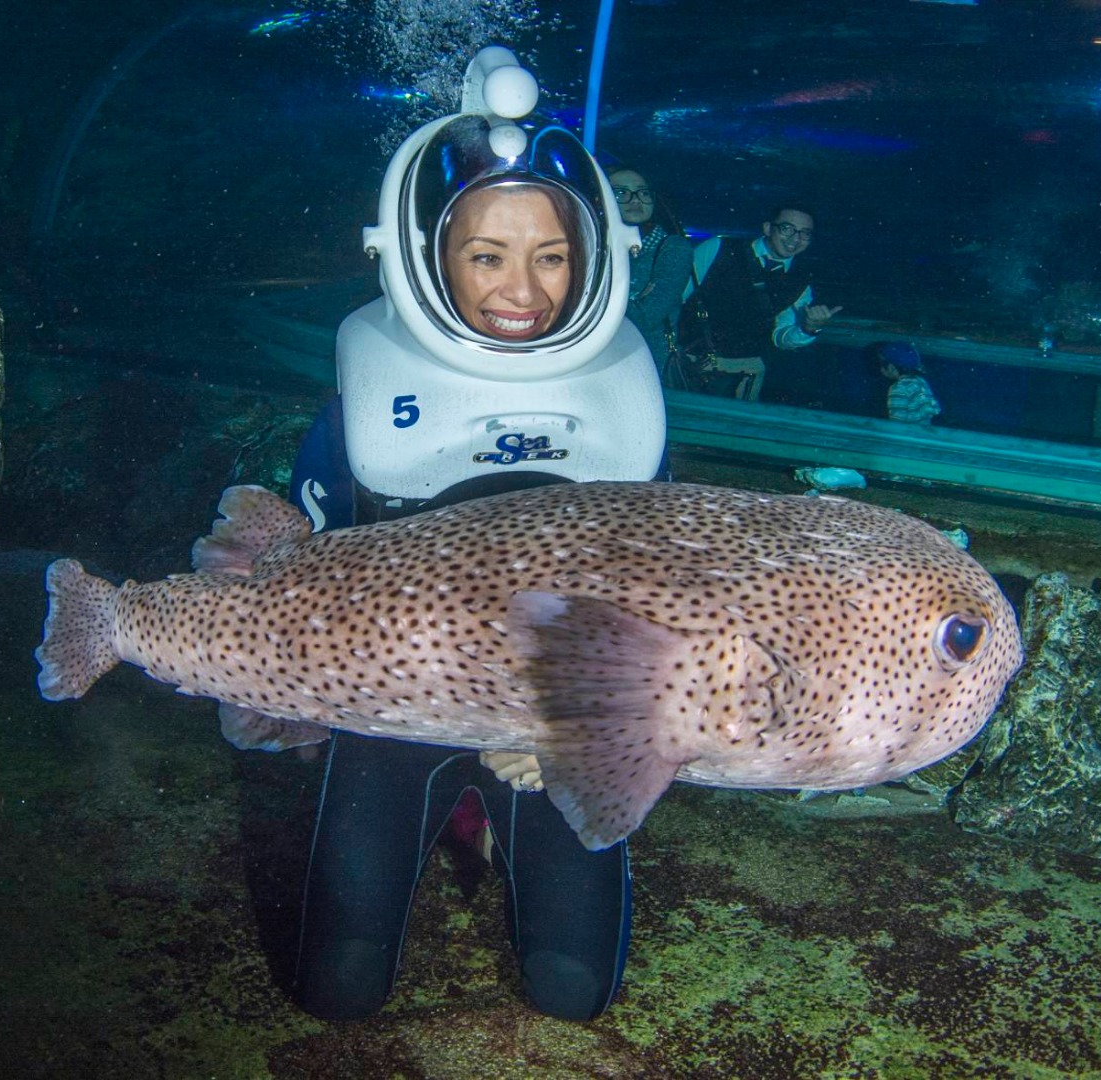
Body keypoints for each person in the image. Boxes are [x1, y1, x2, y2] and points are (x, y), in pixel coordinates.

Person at [282, 48, 667, 1023]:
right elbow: (295, 569)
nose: (521, 288)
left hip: (549, 726)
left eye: (551, 256)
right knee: (337, 985)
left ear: (593, 258)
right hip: (388, 712)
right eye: (486, 255)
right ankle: (448, 823)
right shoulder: (366, 389)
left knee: (574, 990)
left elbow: (658, 601)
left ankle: (491, 826)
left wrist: (579, 733)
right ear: (423, 251)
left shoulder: (627, 395)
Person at [682, 203, 842, 401]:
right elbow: (677, 295)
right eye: (787, 228)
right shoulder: (719, 248)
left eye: (805, 233)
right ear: (767, 228)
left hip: (745, 376)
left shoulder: (801, 281)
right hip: (690, 364)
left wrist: (809, 329)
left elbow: (781, 337)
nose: (795, 238)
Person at [607, 167, 692, 376]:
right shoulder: (594, 247)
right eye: (621, 192)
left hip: (645, 366)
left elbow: (646, 316)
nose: (635, 200)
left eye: (643, 192)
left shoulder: (672, 248)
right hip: (597, 362)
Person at [876, 341, 941, 424]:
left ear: (891, 367)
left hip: (908, 434)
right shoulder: (921, 382)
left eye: (881, 364)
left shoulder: (898, 388)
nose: (880, 368)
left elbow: (897, 423)